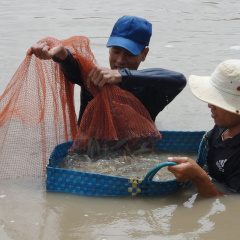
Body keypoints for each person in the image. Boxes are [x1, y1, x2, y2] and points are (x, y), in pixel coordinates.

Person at [31, 15, 186, 125]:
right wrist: (60, 54)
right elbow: (72, 67)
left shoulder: (151, 91)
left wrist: (123, 75)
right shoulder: (95, 79)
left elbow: (179, 80)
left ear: (144, 54)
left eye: (129, 54)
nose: (119, 60)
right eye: (116, 51)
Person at [168, 59, 240, 197]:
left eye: (219, 101)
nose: (210, 105)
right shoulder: (223, 126)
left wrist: (199, 177)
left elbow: (232, 206)